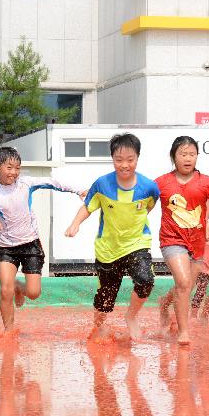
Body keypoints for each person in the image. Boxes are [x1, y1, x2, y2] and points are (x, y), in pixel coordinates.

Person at [64, 133, 160, 341]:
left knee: (145, 281)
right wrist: (75, 224)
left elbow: (147, 208)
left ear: (137, 158)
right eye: (119, 160)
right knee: (105, 300)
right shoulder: (102, 184)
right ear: (112, 159)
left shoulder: (149, 187)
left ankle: (131, 317)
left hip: (137, 243)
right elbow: (87, 207)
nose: (124, 165)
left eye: (130, 160)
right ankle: (99, 326)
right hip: (107, 249)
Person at [0, 146, 83, 333]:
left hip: (30, 245)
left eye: (17, 168)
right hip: (7, 248)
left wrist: (78, 190)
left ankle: (19, 286)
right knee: (4, 290)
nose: (14, 172)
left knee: (33, 293)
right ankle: (9, 331)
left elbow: (53, 182)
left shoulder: (26, 183)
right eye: (9, 168)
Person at [155, 136, 209, 344]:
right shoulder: (162, 182)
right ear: (174, 156)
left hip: (197, 243)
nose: (188, 158)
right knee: (183, 282)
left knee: (186, 286)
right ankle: (184, 331)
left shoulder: (205, 182)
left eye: (192, 154)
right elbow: (145, 202)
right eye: (183, 154)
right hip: (171, 239)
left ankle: (164, 302)